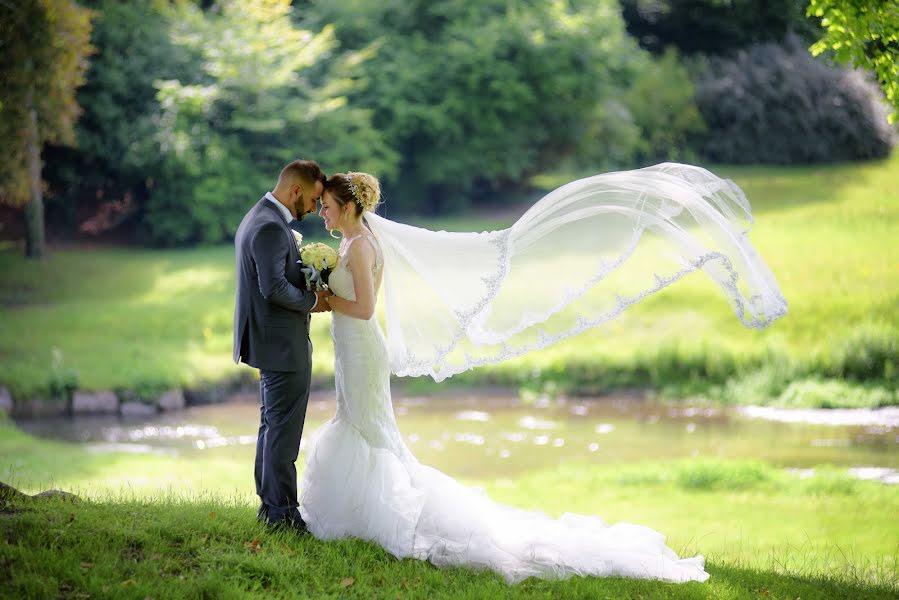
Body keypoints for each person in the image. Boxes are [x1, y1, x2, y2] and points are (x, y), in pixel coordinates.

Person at [300, 164, 787, 583]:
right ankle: (362, 514)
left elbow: (363, 309)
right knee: (362, 425)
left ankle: (379, 517)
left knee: (368, 429)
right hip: (353, 350)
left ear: (347, 206)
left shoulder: (361, 246)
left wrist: (322, 299)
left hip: (362, 347)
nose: (321, 213)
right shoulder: (350, 244)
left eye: (326, 206)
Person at [232, 159, 333, 531]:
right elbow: (272, 288)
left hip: (270, 341)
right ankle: (282, 515)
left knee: (271, 426)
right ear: (295, 191)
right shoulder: (272, 228)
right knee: (283, 433)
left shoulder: (257, 217)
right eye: (312, 199)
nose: (313, 208)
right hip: (281, 344)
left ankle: (270, 507)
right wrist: (313, 302)